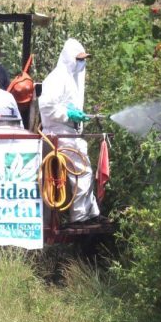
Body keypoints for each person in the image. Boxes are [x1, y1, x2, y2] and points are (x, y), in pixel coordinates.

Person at [38, 38, 100, 223]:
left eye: (83, 60)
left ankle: (91, 213)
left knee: (85, 172)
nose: (81, 63)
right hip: (59, 134)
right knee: (82, 172)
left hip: (69, 133)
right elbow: (46, 107)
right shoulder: (58, 78)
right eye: (78, 59)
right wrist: (68, 115)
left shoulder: (72, 78)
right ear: (69, 59)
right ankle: (80, 216)